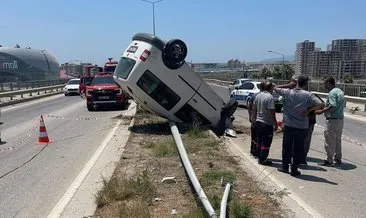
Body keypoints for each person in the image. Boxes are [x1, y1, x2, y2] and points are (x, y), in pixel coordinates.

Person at [274, 75, 323, 176]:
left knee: (286, 147)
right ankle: (294, 169)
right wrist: (308, 111)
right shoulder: (308, 95)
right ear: (306, 84)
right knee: (298, 148)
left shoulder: (287, 92)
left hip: (288, 125)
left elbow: (274, 87)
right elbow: (321, 104)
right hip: (301, 127)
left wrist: (288, 85)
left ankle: (284, 167)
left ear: (296, 83)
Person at [315, 77, 345, 166]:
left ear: (328, 83)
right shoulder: (340, 91)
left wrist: (322, 111)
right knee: (337, 140)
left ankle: (329, 160)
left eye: (325, 84)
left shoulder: (332, 93)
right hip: (340, 119)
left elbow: (332, 105)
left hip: (332, 120)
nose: (324, 86)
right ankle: (338, 158)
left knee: (329, 140)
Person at [252, 82, 278, 165]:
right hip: (266, 123)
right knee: (266, 142)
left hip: (258, 122)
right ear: (270, 88)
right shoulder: (270, 97)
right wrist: (275, 124)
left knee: (259, 141)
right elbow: (272, 112)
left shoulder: (258, 95)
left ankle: (259, 156)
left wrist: (253, 119)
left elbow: (254, 108)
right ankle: (262, 159)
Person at [302, 92, 324, 164]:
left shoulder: (311, 96)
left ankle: (303, 157)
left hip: (309, 121)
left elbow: (322, 104)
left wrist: (311, 110)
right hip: (300, 122)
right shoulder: (296, 94)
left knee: (306, 140)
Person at [248, 82, 265, 158]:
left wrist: (250, 116)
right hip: (261, 120)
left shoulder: (254, 95)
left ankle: (252, 151)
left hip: (254, 119)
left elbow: (249, 106)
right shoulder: (266, 96)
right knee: (260, 137)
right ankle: (257, 153)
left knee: (254, 136)